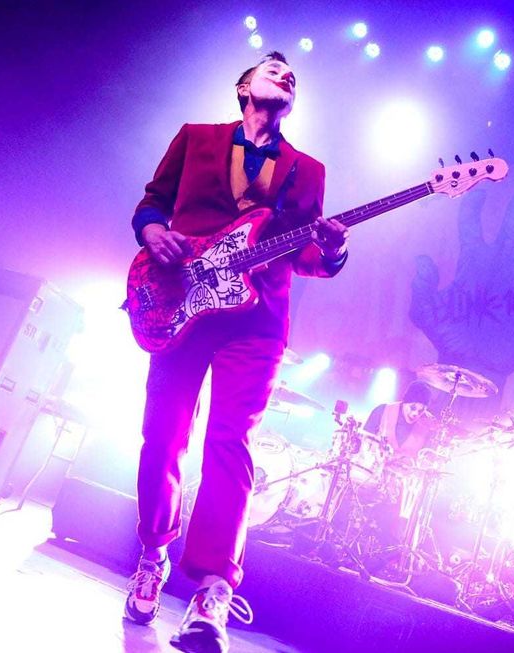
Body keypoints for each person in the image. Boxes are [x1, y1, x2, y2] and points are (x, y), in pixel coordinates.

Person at [124, 51, 349, 653]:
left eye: (292, 76)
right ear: (244, 87)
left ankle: (213, 591)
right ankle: (153, 553)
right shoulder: (195, 137)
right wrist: (154, 232)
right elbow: (151, 203)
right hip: (181, 300)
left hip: (257, 320)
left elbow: (304, 254)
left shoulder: (307, 170)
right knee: (163, 435)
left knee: (231, 442)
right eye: (272, 68)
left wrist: (332, 250)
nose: (285, 74)